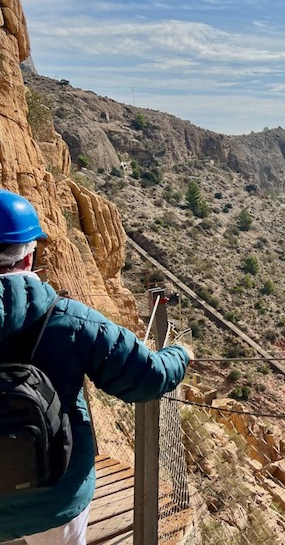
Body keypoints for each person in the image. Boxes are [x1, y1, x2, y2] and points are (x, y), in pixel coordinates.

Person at [0, 189, 192, 544]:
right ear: (29, 257)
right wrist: (181, 354)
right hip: (54, 499)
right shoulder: (70, 320)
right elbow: (147, 378)